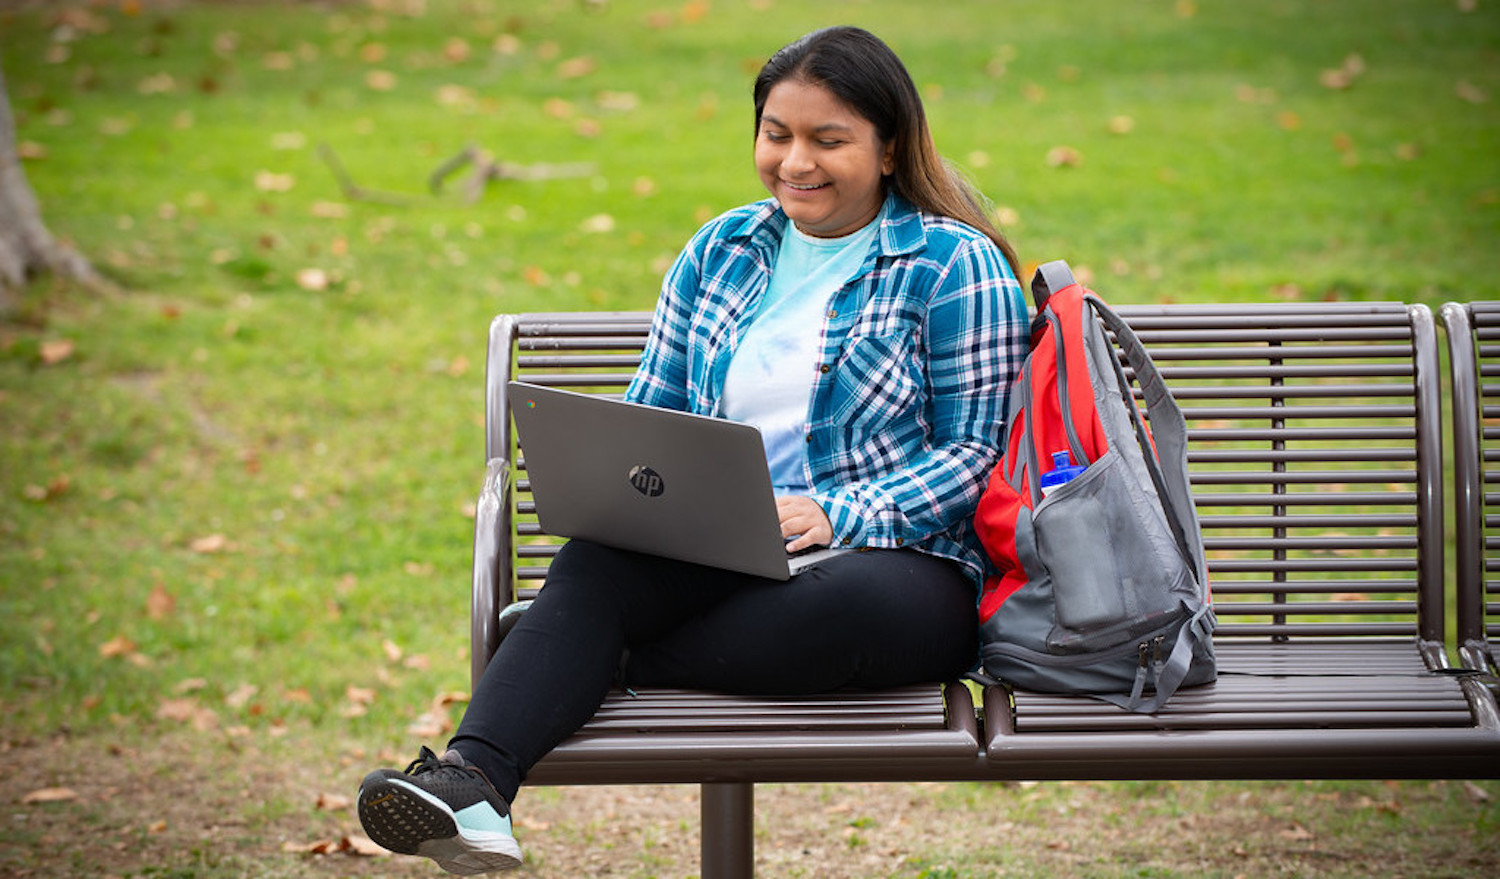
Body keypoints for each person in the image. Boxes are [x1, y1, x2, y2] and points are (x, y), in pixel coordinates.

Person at [356, 25, 1028, 875]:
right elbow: (657, 415)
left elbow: (977, 452)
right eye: (776, 134)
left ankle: (589, 648)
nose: (795, 162)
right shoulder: (722, 249)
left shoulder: (950, 262)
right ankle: (474, 784)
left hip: (898, 561)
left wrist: (836, 510)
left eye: (829, 140)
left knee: (844, 605)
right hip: (730, 544)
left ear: (889, 149)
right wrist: (633, 487)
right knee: (599, 559)